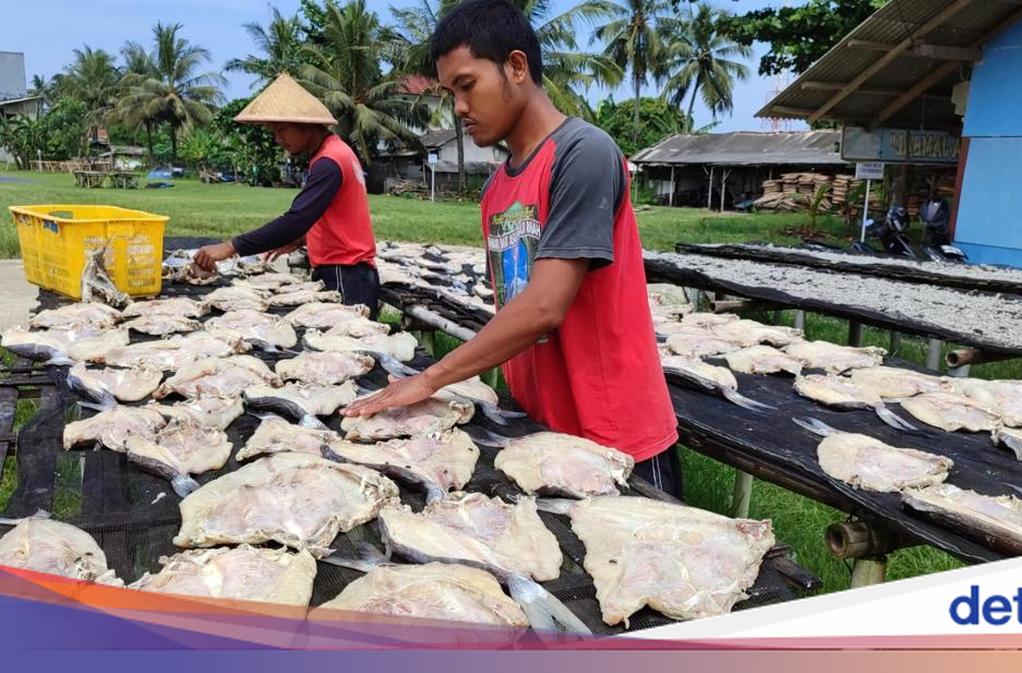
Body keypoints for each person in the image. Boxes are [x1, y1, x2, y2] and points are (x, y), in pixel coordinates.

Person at [342, 0, 682, 497]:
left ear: (516, 67)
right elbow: (514, 303)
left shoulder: (582, 153)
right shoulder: (497, 187)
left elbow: (544, 306)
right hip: (543, 430)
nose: (458, 107)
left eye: (466, 85)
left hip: (615, 438)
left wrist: (431, 377)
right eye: (449, 92)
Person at [193, 73, 380, 316]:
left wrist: (231, 247)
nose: (278, 139)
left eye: (281, 130)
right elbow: (334, 216)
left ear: (306, 125)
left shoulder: (328, 161)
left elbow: (297, 219)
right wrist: (302, 239)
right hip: (348, 271)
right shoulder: (334, 151)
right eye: (273, 131)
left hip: (346, 274)